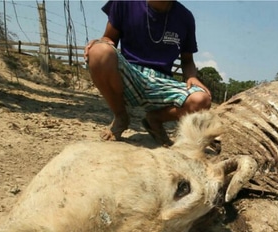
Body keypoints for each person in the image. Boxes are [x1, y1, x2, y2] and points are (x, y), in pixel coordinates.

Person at [84, 0, 212, 147]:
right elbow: (109, 38)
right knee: (99, 52)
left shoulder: (185, 17)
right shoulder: (125, 2)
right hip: (130, 73)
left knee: (201, 99)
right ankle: (120, 116)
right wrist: (100, 43)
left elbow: (187, 60)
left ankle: (155, 119)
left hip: (162, 83)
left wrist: (191, 76)